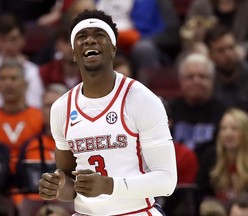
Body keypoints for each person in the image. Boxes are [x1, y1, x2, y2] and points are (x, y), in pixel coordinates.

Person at [38, 9, 177, 216]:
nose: (90, 41)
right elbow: (70, 183)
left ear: (113, 49)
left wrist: (109, 186)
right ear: (74, 53)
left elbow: (167, 181)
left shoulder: (142, 99)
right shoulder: (61, 108)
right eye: (82, 37)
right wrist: (57, 188)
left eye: (99, 35)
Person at [169, 53, 226, 163]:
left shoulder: (224, 113)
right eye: (190, 77)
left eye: (202, 76)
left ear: (212, 80)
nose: (196, 81)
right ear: (181, 81)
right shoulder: (168, 112)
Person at [197, 108, 248, 205]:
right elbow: (201, 194)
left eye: (234, 129)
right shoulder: (211, 157)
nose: (228, 134)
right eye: (223, 128)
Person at [204, 24, 248, 111]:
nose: (228, 55)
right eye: (221, 50)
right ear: (210, 55)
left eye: (231, 48)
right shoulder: (206, 81)